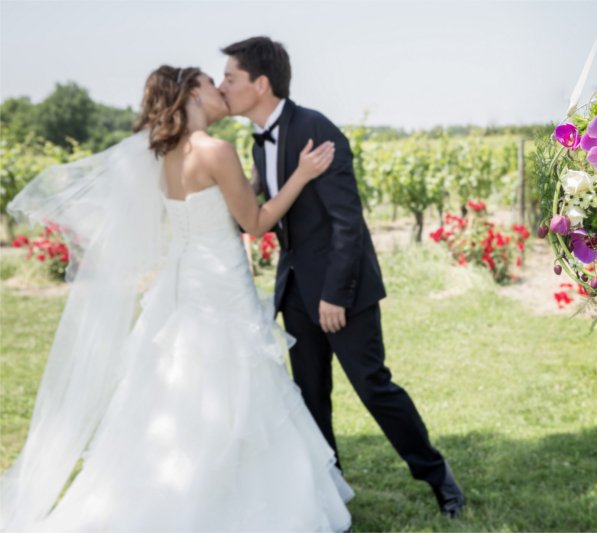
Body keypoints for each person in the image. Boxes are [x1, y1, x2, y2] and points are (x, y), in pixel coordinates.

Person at [1, 65, 353, 532]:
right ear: (191, 94)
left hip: (185, 283)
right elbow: (256, 223)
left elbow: (214, 209)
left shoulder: (167, 155)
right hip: (221, 285)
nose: (220, 89)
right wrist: (302, 175)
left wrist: (250, 183)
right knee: (237, 386)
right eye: (212, 83)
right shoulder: (216, 149)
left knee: (176, 386)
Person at [218, 36, 466, 517]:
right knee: (311, 398)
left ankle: (438, 476)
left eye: (231, 78)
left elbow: (346, 223)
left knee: (374, 386)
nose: (223, 86)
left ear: (261, 83)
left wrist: (335, 295)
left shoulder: (315, 129)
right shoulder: (256, 142)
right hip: (293, 292)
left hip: (340, 290)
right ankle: (328, 493)